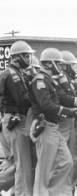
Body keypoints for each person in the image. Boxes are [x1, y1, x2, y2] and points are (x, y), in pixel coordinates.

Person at [29, 47, 77, 196]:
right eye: (59, 64)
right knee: (44, 168)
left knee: (66, 162)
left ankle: (57, 192)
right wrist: (68, 111)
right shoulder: (40, 80)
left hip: (54, 127)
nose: (62, 67)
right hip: (46, 126)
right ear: (49, 64)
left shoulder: (49, 81)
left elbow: (62, 98)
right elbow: (46, 105)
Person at [0, 40, 35, 196]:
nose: (29, 59)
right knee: (22, 162)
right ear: (16, 57)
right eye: (26, 56)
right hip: (15, 119)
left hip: (18, 118)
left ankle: (17, 191)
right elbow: (23, 100)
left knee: (23, 161)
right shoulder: (12, 74)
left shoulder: (18, 73)